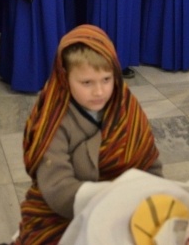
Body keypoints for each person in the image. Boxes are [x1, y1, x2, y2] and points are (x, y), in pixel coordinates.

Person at [16, 24, 162, 244]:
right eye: (86, 82)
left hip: (128, 209)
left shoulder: (127, 107)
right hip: (67, 212)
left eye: (106, 79)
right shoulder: (53, 119)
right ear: (64, 78)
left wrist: (151, 200)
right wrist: (111, 202)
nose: (99, 91)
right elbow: (58, 188)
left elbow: (150, 164)